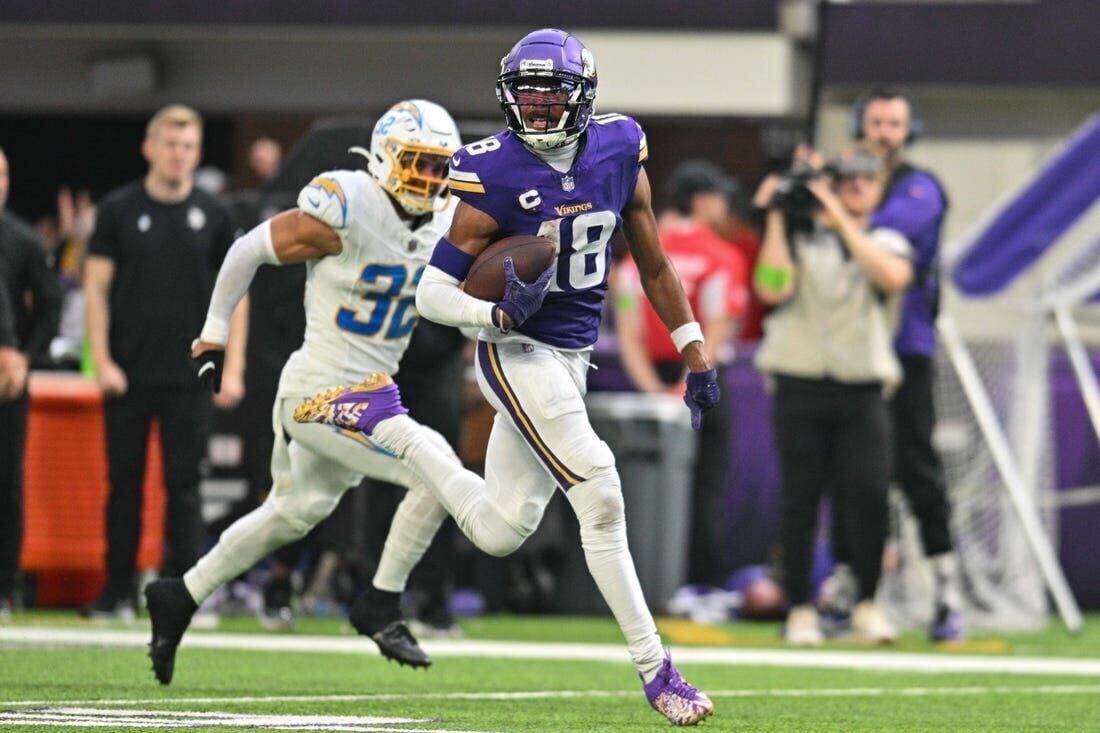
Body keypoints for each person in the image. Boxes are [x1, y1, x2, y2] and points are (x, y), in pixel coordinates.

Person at [296, 29, 719, 726]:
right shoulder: (491, 170)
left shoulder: (619, 149)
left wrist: (693, 347)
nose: (540, 109)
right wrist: (492, 311)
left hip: (572, 357)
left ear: (582, 97)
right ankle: (657, 669)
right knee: (601, 489)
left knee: (501, 527)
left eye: (553, 96)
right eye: (528, 95)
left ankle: (410, 446)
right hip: (514, 350)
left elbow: (652, 262)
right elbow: (431, 294)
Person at [143, 99, 464, 685]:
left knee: (294, 513)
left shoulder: (446, 219)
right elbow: (248, 249)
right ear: (387, 158)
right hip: (320, 389)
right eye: (419, 162)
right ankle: (381, 602)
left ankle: (179, 594)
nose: (431, 178)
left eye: (441, 165)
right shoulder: (349, 204)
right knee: (434, 468)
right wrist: (214, 331)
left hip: (373, 392)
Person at [82, 105, 246, 619]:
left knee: (185, 487)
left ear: (198, 153)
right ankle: (116, 593)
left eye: (189, 146)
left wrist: (233, 369)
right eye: (171, 145)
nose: (179, 155)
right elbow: (94, 290)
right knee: (123, 484)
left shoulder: (216, 215)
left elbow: (238, 294)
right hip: (128, 375)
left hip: (192, 375)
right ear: (149, 148)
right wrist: (101, 361)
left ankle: (183, 594)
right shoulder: (117, 210)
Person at [753, 148, 913, 646]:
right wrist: (778, 214)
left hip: (862, 388)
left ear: (880, 188)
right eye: (845, 180)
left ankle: (866, 604)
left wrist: (839, 217)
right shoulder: (800, 239)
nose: (857, 187)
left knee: (867, 496)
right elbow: (771, 288)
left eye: (867, 181)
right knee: (799, 500)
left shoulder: (886, 239)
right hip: (800, 384)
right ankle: (799, 608)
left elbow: (891, 277)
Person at [823, 89, 961, 642]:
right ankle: (848, 583)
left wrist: (837, 205)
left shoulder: (920, 188)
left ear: (910, 130)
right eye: (875, 122)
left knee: (918, 467)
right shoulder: (843, 184)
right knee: (852, 475)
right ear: (861, 125)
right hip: (850, 347)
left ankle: (948, 594)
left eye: (894, 124)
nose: (884, 133)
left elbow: (885, 239)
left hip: (905, 349)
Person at [614, 160, 748, 586]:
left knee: (643, 489)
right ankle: (699, 583)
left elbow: (628, 335)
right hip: (700, 378)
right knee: (706, 485)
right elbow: (720, 326)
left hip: (653, 378)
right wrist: (689, 385)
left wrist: (654, 390)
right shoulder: (722, 255)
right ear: (705, 201)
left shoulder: (639, 254)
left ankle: (645, 580)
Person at [0, 146, 62, 619]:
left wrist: (25, 356)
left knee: (7, 485)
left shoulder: (22, 240)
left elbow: (50, 307)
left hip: (7, 381)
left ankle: (5, 587)